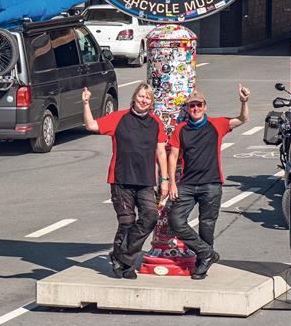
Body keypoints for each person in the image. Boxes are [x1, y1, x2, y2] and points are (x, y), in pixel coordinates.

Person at [82, 83, 169, 279]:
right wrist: (86, 103)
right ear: (134, 97)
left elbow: (161, 151)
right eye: (140, 96)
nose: (143, 100)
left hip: (146, 180)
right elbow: (91, 125)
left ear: (151, 102)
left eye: (147, 98)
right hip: (121, 179)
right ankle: (127, 265)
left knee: (150, 217)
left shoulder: (156, 123)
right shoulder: (120, 118)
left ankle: (121, 256)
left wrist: (164, 179)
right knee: (127, 222)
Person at [168, 85, 250, 279]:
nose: (195, 108)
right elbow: (173, 157)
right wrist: (171, 182)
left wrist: (244, 101)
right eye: (192, 106)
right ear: (187, 109)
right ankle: (206, 253)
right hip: (186, 184)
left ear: (205, 107)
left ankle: (202, 263)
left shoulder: (216, 124)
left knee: (207, 224)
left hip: (211, 184)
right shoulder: (181, 129)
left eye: (199, 105)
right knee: (176, 222)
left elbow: (243, 119)